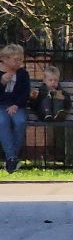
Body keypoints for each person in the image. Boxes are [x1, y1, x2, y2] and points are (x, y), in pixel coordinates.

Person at [0, 44, 29, 174]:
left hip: (17, 106)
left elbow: (25, 92)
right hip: (1, 106)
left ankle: (11, 158)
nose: (19, 62)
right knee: (2, 122)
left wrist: (16, 105)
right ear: (5, 59)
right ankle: (12, 157)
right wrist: (1, 83)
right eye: (15, 59)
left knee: (20, 121)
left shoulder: (23, 74)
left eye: (20, 59)